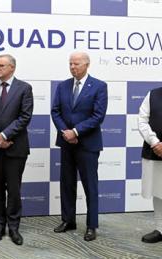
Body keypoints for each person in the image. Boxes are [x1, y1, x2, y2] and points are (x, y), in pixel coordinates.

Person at [50, 51, 108, 241]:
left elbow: (98, 116)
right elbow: (55, 111)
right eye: (70, 64)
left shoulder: (99, 86)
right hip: (67, 143)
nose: (73, 67)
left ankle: (91, 225)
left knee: (90, 185)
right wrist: (66, 133)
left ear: (86, 65)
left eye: (76, 64)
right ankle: (68, 220)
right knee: (67, 184)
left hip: (87, 144)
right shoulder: (63, 85)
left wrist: (75, 132)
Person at [0, 54, 33, 245]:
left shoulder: (24, 88)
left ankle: (14, 228)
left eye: (1, 65)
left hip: (15, 148)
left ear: (12, 67)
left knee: (14, 190)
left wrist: (5, 135)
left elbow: (25, 117)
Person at [138, 88, 162, 243]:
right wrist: (155, 143)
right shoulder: (153, 94)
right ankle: (160, 229)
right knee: (158, 190)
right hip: (155, 150)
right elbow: (142, 120)